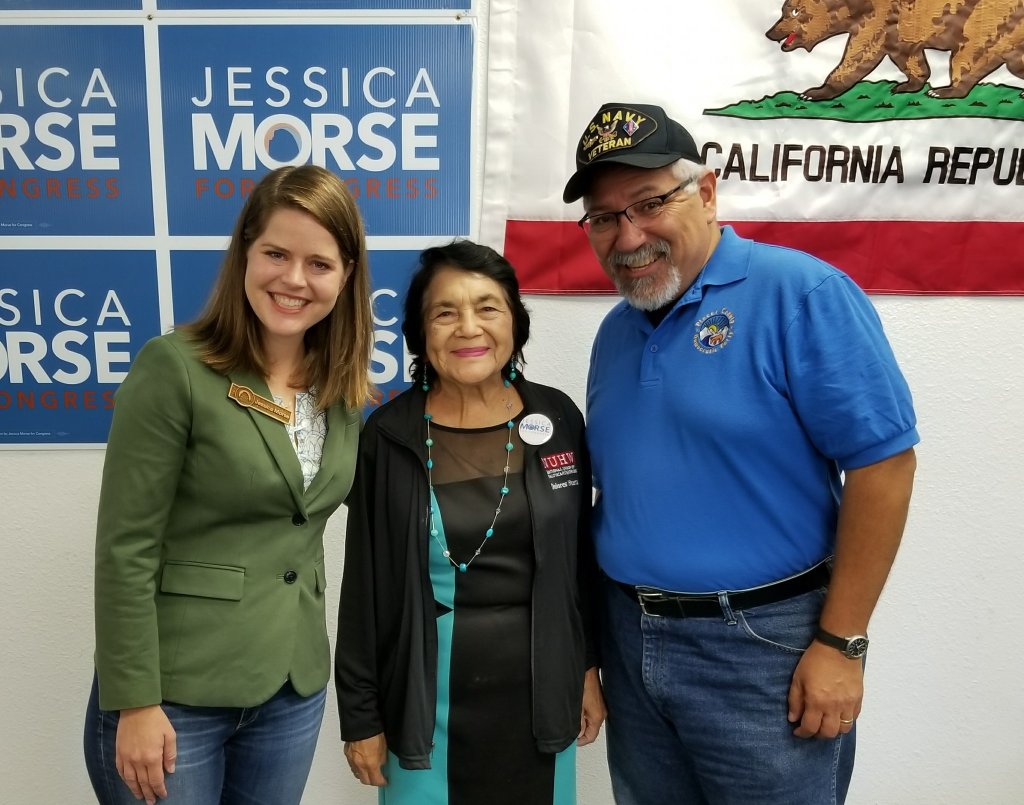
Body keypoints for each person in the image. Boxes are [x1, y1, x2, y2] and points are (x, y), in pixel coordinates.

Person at [563, 102, 919, 805]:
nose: (628, 236)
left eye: (649, 203)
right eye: (604, 217)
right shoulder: (615, 332)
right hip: (631, 639)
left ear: (705, 192)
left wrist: (842, 642)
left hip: (763, 649)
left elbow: (884, 464)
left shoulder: (802, 294)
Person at [83, 164, 374, 805]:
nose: (294, 279)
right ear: (245, 252)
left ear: (346, 275)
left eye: (319, 264)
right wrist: (134, 701)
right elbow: (126, 548)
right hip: (172, 697)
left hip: (291, 691)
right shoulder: (175, 369)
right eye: (276, 254)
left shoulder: (342, 390)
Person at [335, 240, 605, 805]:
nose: (468, 327)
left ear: (515, 322)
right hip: (421, 700)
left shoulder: (556, 417)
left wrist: (587, 668)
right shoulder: (388, 436)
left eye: (487, 307)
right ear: (419, 331)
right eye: (444, 312)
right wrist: (360, 716)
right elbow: (363, 589)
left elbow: (578, 563)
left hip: (540, 693)